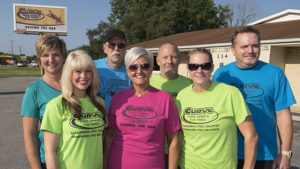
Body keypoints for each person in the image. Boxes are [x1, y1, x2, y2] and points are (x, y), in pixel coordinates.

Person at [213, 26, 296, 169]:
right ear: (233, 49)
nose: (250, 51)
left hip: (264, 156)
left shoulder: (275, 74)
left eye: (255, 46)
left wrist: (285, 153)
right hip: (226, 154)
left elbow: (283, 115)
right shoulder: (221, 75)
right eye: (244, 46)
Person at [176, 48, 258, 169]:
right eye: (194, 66)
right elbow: (180, 135)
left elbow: (251, 136)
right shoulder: (182, 96)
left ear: (212, 68)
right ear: (188, 69)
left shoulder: (230, 93)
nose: (199, 70)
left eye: (205, 66)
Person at [104, 47, 181, 169]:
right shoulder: (118, 98)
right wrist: (104, 165)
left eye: (144, 66)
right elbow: (110, 135)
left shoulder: (165, 99)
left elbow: (173, 140)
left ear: (151, 69)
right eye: (133, 67)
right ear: (128, 71)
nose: (139, 71)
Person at [41, 50, 107, 169]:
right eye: (77, 71)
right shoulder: (55, 106)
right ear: (68, 74)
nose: (83, 76)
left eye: (88, 71)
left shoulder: (99, 103)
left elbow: (99, 142)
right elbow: (50, 152)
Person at [21, 34, 66, 169]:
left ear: (63, 56)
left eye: (56, 54)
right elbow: (30, 135)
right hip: (48, 161)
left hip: (76, 158)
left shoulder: (76, 84)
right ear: (39, 59)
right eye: (45, 55)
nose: (51, 60)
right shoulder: (33, 91)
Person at [150, 42, 192, 167]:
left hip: (185, 150)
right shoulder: (148, 85)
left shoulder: (190, 84)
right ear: (157, 60)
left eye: (173, 57)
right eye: (165, 57)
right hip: (157, 150)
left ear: (179, 59)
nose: (170, 61)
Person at [94, 29, 132, 110]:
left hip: (123, 121)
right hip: (97, 121)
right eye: (112, 45)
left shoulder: (133, 70)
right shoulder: (92, 67)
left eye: (121, 45)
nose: (116, 49)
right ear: (105, 48)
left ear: (125, 49)